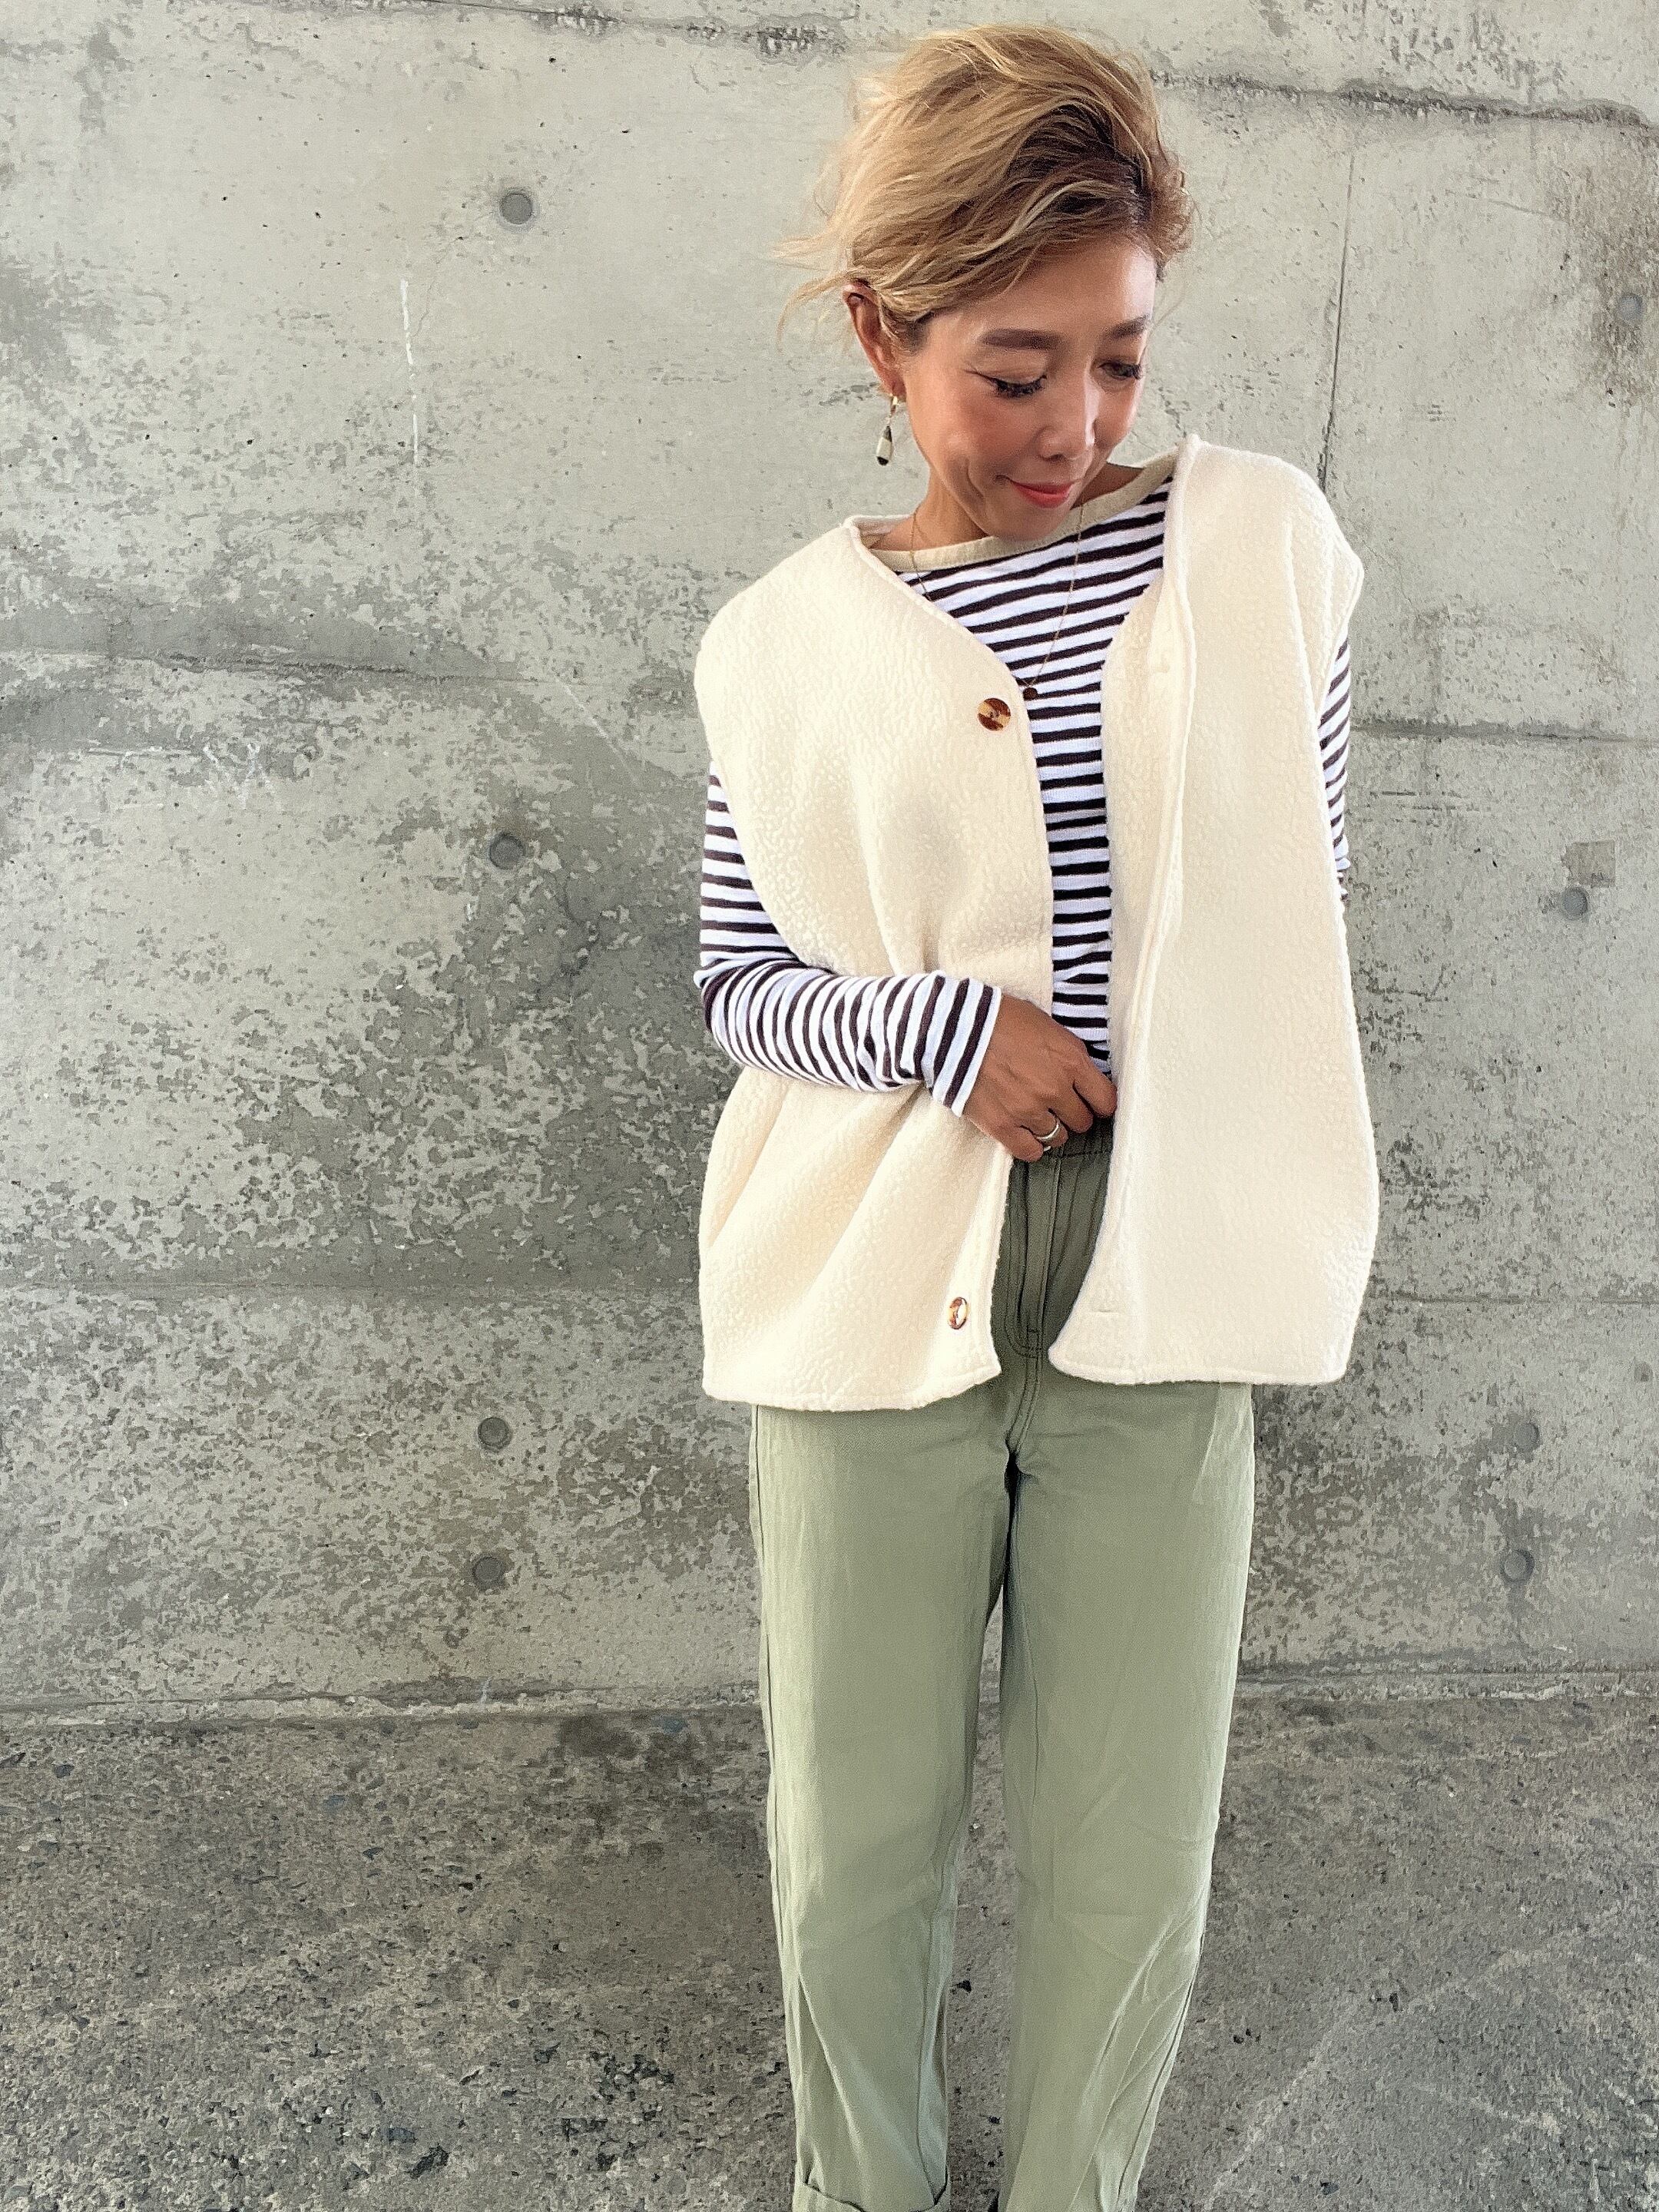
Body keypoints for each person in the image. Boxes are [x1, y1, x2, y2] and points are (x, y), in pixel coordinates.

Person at [690, 25, 1376, 2212]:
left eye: (1122, 358)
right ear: (882, 336)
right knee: (855, 1836)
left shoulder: (1261, 555)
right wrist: (945, 1033)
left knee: (1127, 1835)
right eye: (1014, 369)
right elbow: (738, 977)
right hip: (871, 1259)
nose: (1076, 425)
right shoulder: (779, 646)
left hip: (1158, 1261)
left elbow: (1296, 909)